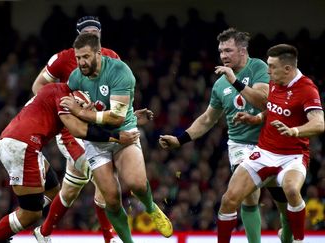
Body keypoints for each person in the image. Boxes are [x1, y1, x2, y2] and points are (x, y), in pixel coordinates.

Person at [159, 28, 292, 243]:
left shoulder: (258, 67)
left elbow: (263, 101)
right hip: (240, 145)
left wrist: (236, 82)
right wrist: (180, 139)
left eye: (228, 50)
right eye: (221, 51)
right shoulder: (220, 84)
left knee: (283, 198)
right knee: (248, 194)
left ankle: (287, 226)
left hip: (270, 142)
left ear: (242, 50)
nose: (223, 56)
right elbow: (207, 119)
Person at [0, 82, 139, 243]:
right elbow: (79, 129)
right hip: (24, 146)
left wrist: (132, 119)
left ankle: (8, 229)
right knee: (31, 215)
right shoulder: (70, 96)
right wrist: (117, 137)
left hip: (19, 142)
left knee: (52, 188)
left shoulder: (58, 90)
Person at [32, 16, 152, 243]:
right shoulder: (63, 58)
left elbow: (115, 100)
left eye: (96, 32)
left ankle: (43, 232)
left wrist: (131, 116)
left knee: (71, 186)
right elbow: (38, 86)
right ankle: (110, 237)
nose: (92, 35)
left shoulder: (112, 58)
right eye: (87, 32)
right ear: (78, 36)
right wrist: (62, 112)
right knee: (103, 178)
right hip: (72, 132)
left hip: (100, 127)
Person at [54, 33, 173, 243]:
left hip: (125, 135)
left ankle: (151, 207)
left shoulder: (120, 71)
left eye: (86, 57)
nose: (81, 62)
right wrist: (78, 111)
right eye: (78, 57)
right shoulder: (75, 78)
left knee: (136, 183)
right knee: (110, 199)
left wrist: (82, 113)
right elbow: (69, 109)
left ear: (99, 54)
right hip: (97, 142)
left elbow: (116, 118)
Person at [218, 44, 324, 243]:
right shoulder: (275, 81)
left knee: (292, 190)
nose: (267, 71)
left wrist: (295, 131)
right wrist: (258, 118)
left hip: (292, 156)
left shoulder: (307, 89)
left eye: (272, 67)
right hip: (264, 151)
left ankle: (298, 240)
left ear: (287, 69)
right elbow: (275, 107)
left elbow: (319, 123)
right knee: (228, 199)